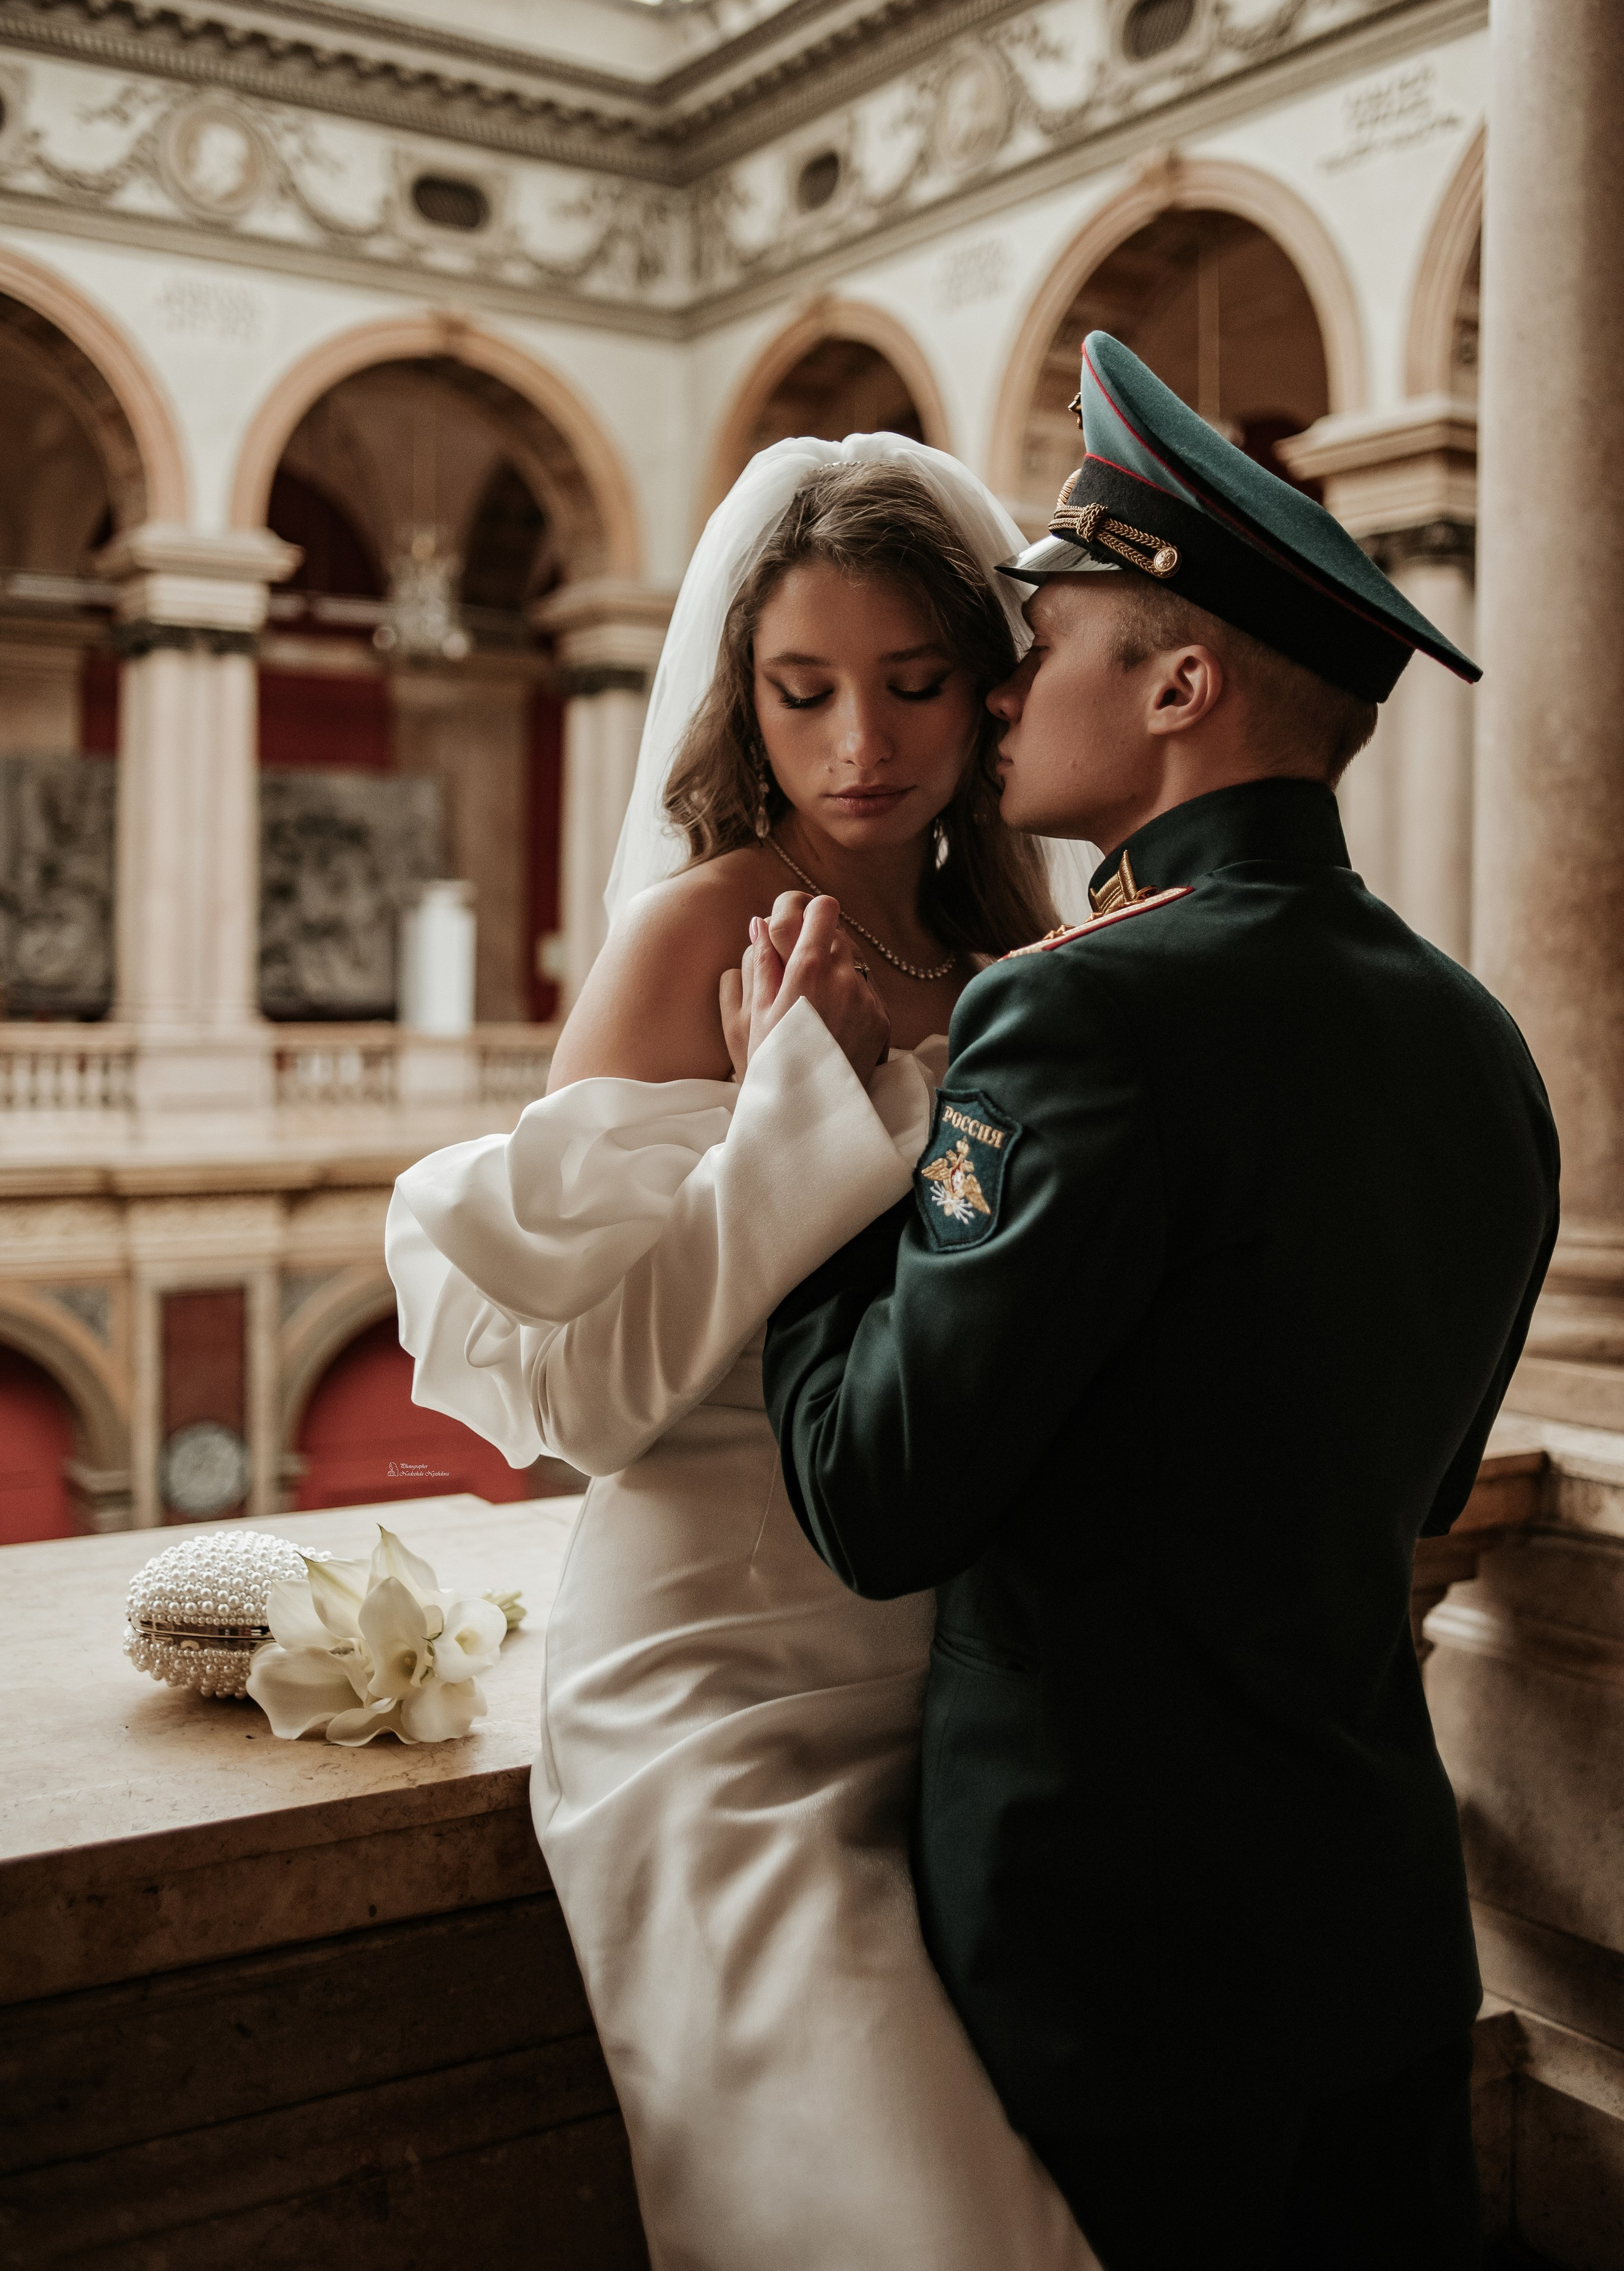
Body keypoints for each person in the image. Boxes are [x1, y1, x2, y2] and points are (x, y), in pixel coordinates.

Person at [761, 334, 1561, 2270]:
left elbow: (879, 1494)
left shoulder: (1080, 1008)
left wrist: (817, 1148)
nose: (1007, 687)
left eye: (1057, 638)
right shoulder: (1482, 1045)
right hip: (1374, 1932)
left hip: (1108, 1959)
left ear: (1184, 681)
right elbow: (1428, 1473)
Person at [386, 435, 1101, 2271]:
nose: (860, 740)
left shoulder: (1020, 950)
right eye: (804, 692)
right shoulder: (698, 928)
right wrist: (797, 1095)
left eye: (913, 684)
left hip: (959, 1663)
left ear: (991, 687)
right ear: (744, 698)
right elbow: (597, 1396)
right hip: (714, 1677)